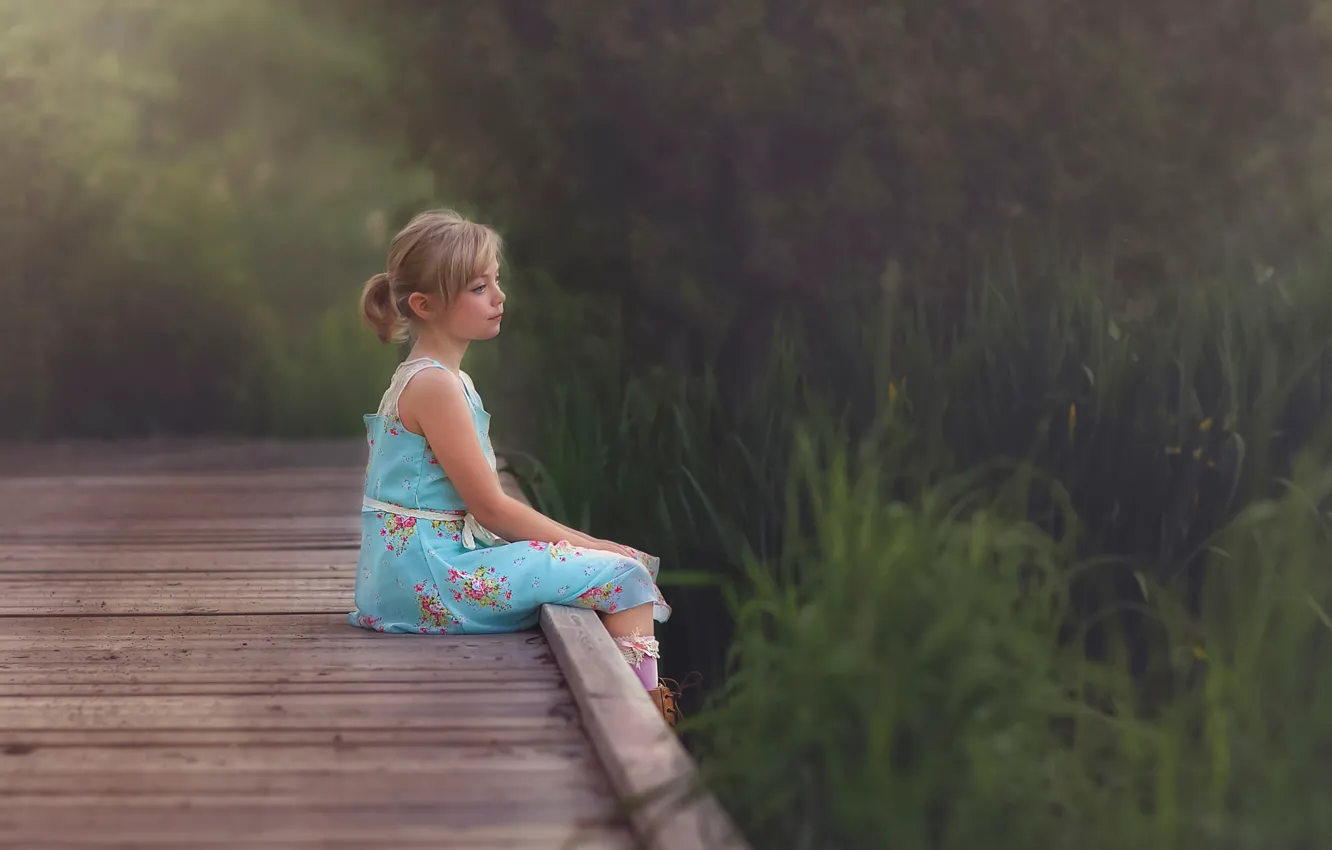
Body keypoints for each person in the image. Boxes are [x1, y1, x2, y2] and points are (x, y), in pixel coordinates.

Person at [351, 209, 677, 721]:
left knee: (603, 567)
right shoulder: (435, 385)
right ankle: (645, 725)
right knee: (626, 576)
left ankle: (639, 709)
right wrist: (592, 544)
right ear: (424, 305)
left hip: (410, 574)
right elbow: (492, 509)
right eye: (479, 288)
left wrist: (578, 545)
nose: (499, 297)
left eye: (496, 281)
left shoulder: (440, 378)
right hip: (430, 580)